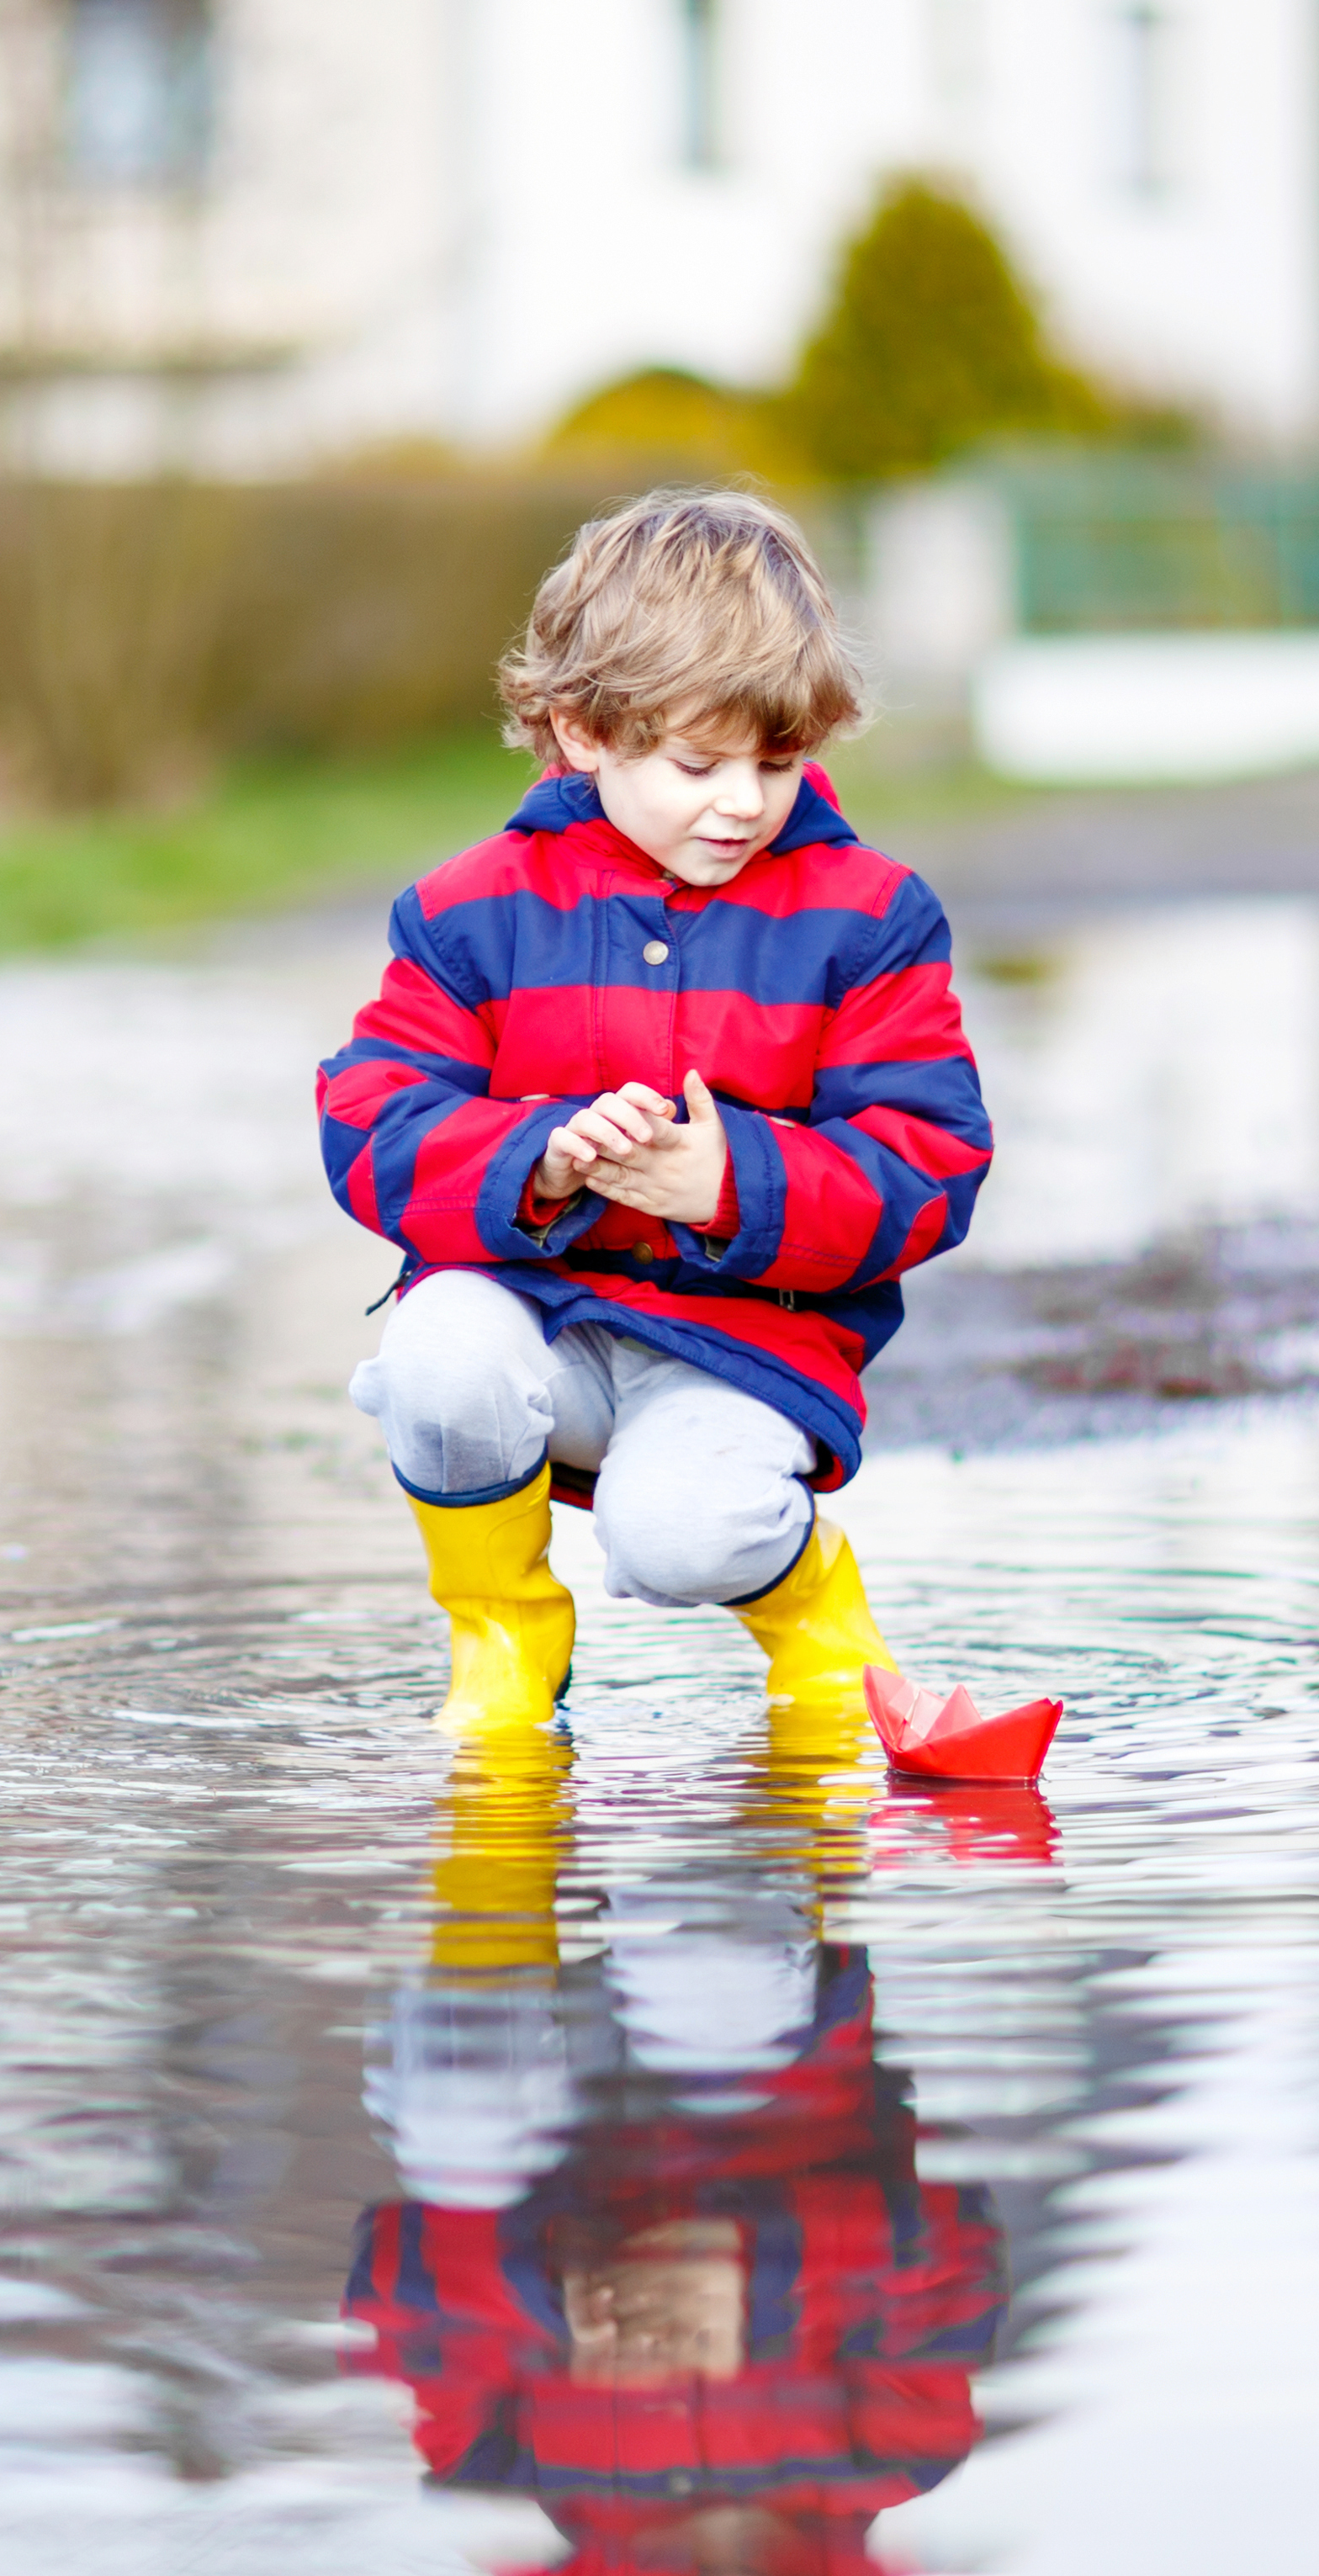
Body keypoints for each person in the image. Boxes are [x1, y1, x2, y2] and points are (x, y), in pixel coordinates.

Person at [314, 491, 995, 1735]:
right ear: (581, 731)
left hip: (746, 1351)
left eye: (777, 763)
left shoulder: (870, 916)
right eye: (699, 764)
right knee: (437, 1353)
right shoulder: (471, 910)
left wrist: (733, 1183)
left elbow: (929, 1161)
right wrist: (539, 1159)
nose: (742, 801)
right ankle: (504, 1635)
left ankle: (818, 1615)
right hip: (546, 1324)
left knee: (677, 1534)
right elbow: (374, 1122)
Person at [347, 1757, 1004, 2576]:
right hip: (764, 2065)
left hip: (540, 2124)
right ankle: (727, 1749)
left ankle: (487, 1836)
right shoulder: (896, 2460)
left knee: (456, 2126)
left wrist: (539, 2289)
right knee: (707, 1972)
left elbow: (395, 2291)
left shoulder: (515, 2512)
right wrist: (763, 2277)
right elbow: (948, 2248)